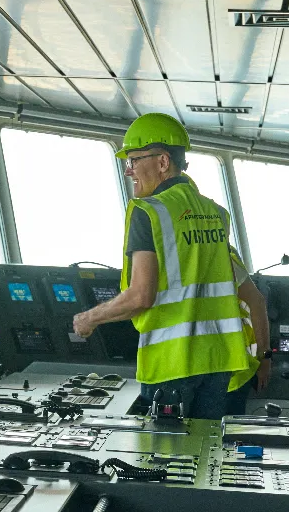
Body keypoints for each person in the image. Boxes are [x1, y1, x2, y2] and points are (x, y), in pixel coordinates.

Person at [71, 113, 250, 419]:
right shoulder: (216, 213)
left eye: (135, 160)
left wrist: (89, 318)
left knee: (164, 463)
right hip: (218, 361)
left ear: (163, 162)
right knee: (203, 459)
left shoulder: (148, 211)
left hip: (171, 364)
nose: (129, 171)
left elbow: (141, 295)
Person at [225, 246, 272, 415]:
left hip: (232, 373)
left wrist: (264, 357)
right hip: (227, 371)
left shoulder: (224, 257)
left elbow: (257, 302)